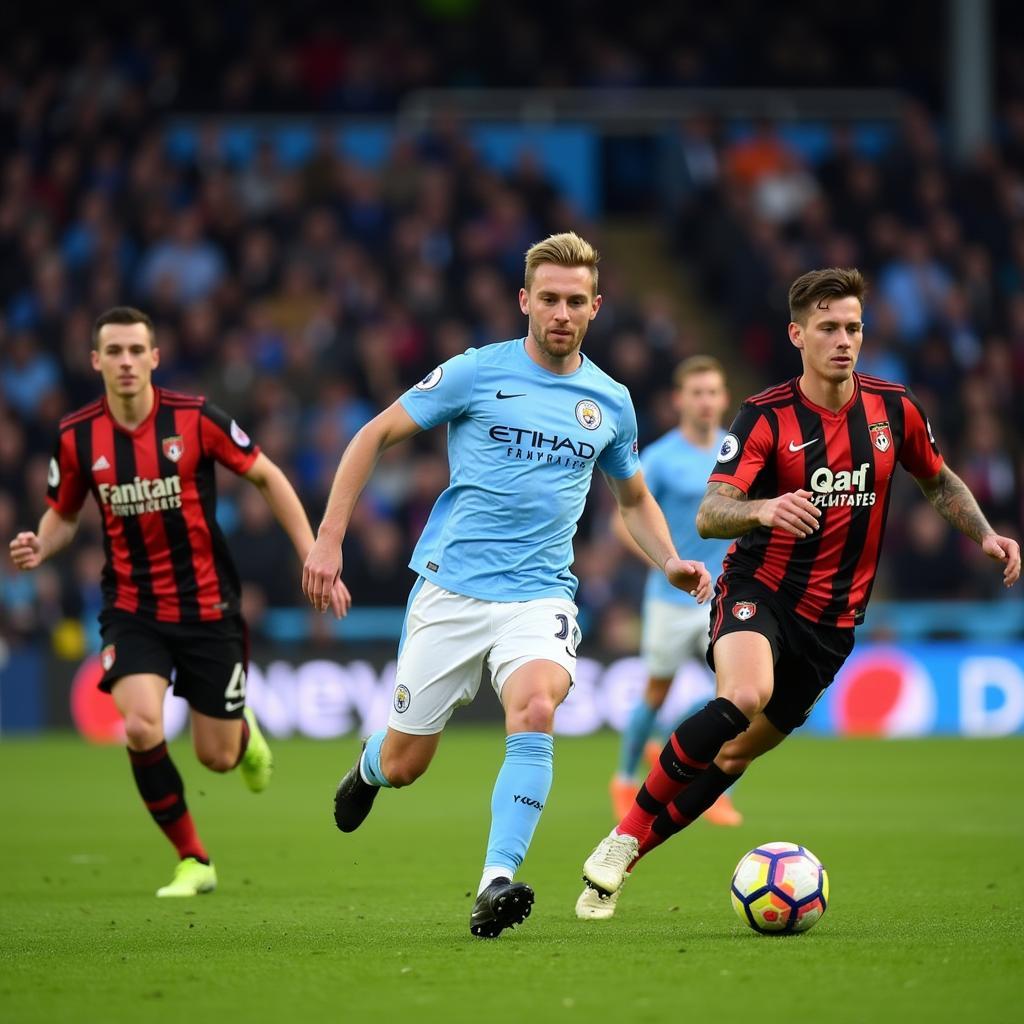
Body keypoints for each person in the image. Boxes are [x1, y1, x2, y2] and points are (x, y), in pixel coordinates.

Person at [302, 232, 712, 938]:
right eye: (548, 298)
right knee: (407, 763)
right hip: (452, 593)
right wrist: (329, 539)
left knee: (535, 708)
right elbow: (371, 435)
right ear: (525, 301)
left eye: (575, 301)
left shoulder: (610, 401)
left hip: (541, 594)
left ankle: (496, 881)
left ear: (595, 308)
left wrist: (668, 558)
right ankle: (368, 769)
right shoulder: (472, 373)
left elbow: (634, 498)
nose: (561, 311)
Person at [577, 267, 1020, 918]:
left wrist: (985, 534)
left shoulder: (894, 410)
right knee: (742, 696)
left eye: (854, 328)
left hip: (834, 623)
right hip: (760, 588)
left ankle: (620, 864)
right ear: (797, 334)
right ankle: (621, 836)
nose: (844, 341)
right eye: (829, 328)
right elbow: (710, 513)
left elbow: (939, 481)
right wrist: (763, 510)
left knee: (732, 756)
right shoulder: (765, 415)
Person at [8, 306, 350, 898]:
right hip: (132, 608)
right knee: (141, 726)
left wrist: (312, 551)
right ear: (96, 361)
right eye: (113, 351)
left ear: (154, 358)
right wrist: (43, 542)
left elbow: (268, 476)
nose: (125, 362)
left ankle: (242, 735)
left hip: (207, 606)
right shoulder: (77, 436)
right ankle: (194, 859)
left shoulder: (194, 420)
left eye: (136, 350)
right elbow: (62, 515)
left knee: (216, 757)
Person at [606, 356, 741, 826]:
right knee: (657, 691)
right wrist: (665, 566)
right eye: (696, 393)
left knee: (736, 694)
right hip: (670, 598)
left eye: (713, 392)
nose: (705, 401)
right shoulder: (660, 458)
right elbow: (622, 523)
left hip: (726, 595)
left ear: (724, 399)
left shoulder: (737, 450)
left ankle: (714, 790)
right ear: (679, 400)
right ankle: (623, 781)